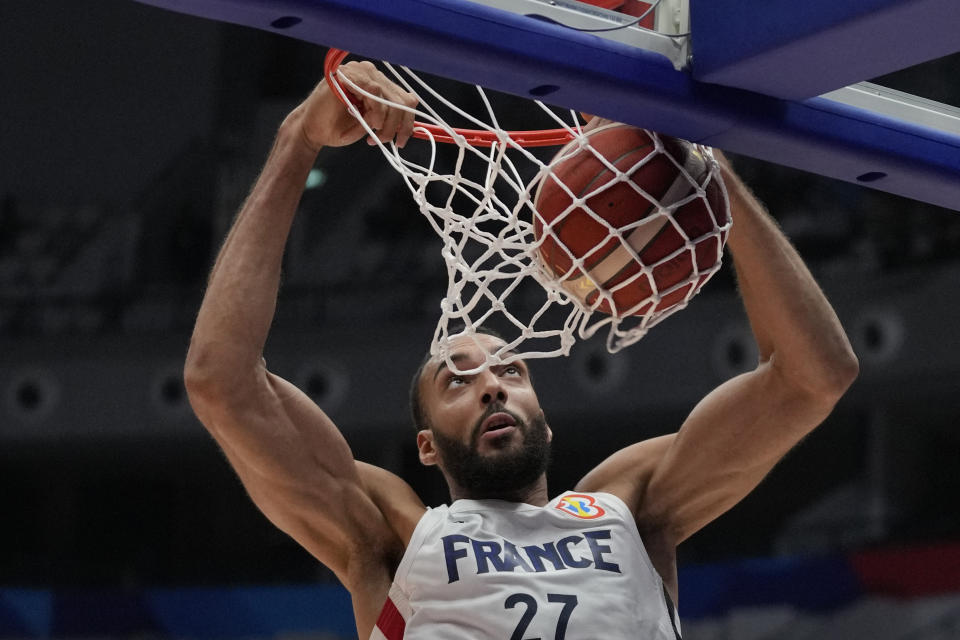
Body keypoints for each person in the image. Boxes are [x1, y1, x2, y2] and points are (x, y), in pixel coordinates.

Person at [183, 62, 859, 639]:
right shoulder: (391, 535)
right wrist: (296, 140)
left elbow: (814, 376)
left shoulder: (631, 506)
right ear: (425, 447)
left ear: (546, 414)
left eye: (509, 369)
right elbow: (223, 381)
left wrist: (698, 168)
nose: (491, 385)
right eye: (458, 382)